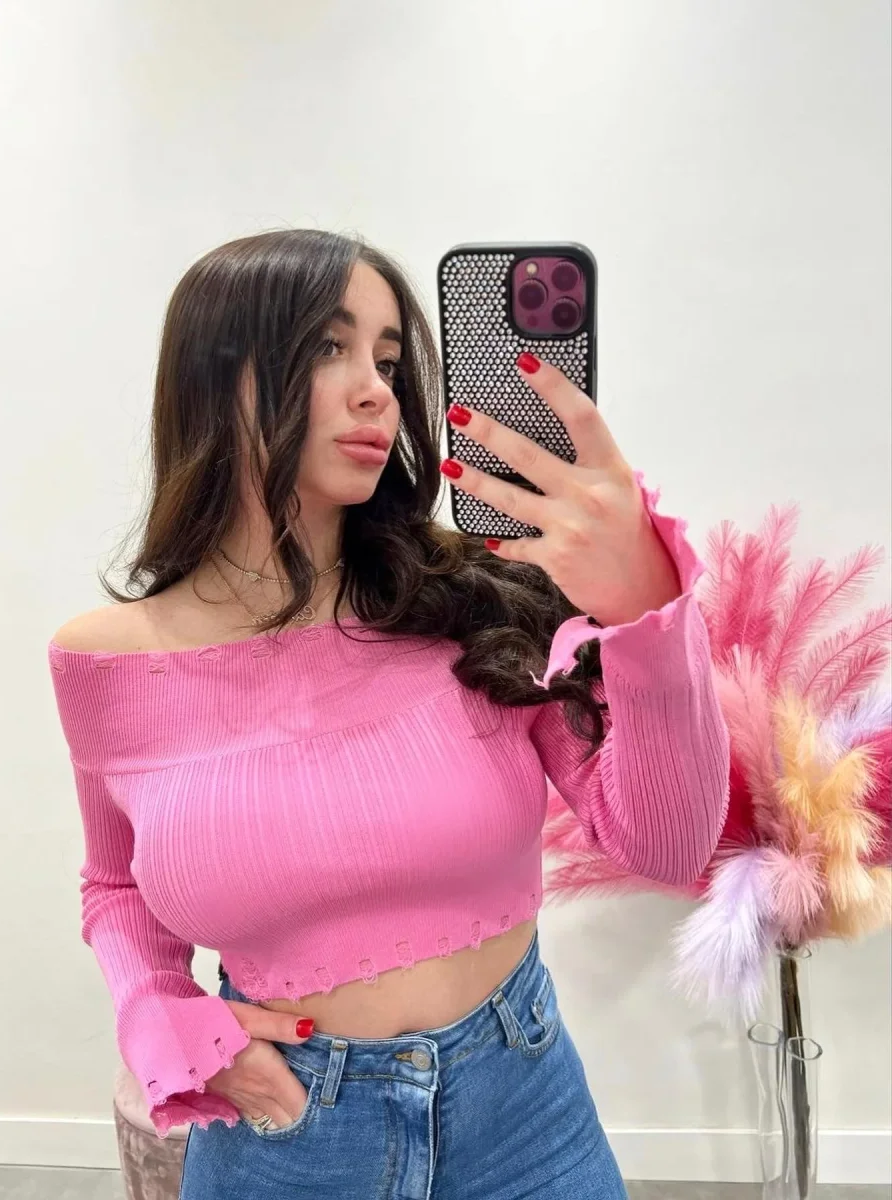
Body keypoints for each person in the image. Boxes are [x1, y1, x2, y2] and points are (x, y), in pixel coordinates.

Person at [48, 229, 730, 1200]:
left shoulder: (479, 601)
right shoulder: (108, 664)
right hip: (288, 1137)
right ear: (214, 374)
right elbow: (115, 885)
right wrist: (158, 1012)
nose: (376, 390)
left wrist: (647, 614)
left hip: (525, 1115)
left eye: (389, 360)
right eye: (330, 347)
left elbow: (669, 843)